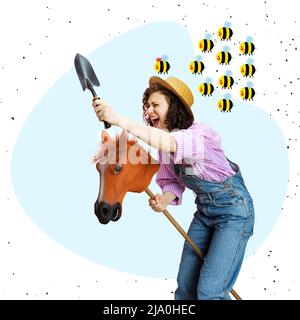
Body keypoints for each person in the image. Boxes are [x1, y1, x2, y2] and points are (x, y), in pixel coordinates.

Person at [92, 76, 255, 300]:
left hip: (234, 215)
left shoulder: (199, 135)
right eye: (147, 105)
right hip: (205, 215)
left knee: (210, 292)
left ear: (174, 108)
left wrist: (118, 119)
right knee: (186, 290)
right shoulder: (164, 148)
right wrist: (165, 199)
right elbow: (173, 182)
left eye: (156, 105)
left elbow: (171, 143)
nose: (148, 110)